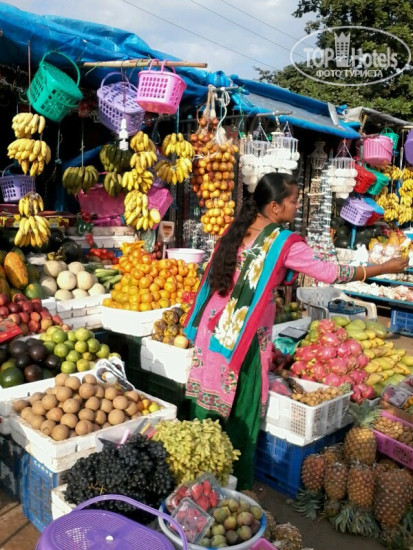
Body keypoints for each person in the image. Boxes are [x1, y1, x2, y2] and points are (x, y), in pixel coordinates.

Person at [184, 172, 408, 489]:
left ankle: (195, 472)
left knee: (208, 399)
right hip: (242, 337)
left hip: (212, 327)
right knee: (242, 408)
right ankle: (233, 483)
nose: (297, 206)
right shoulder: (282, 242)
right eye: (293, 201)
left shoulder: (236, 229)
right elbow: (330, 272)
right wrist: (383, 268)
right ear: (274, 206)